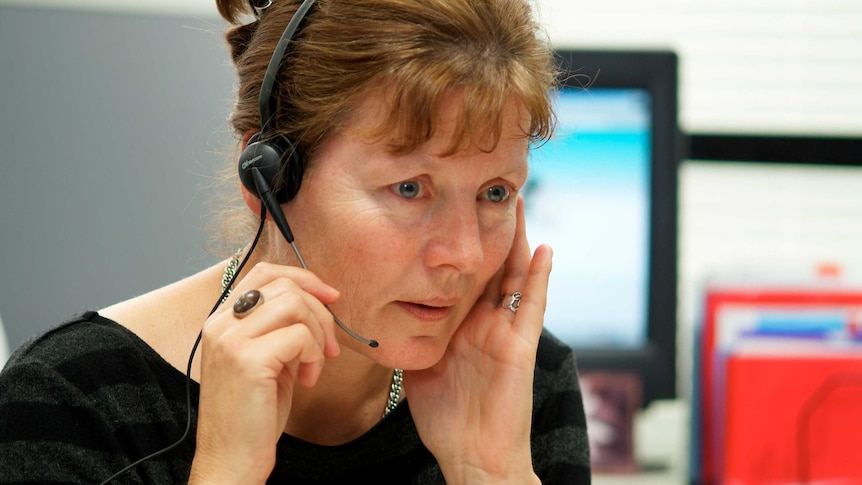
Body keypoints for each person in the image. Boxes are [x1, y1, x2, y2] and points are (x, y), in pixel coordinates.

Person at [0, 0, 591, 483]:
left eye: (495, 193)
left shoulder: (518, 378)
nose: (463, 256)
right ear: (268, 179)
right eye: (409, 188)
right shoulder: (76, 400)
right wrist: (227, 471)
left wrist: (490, 472)